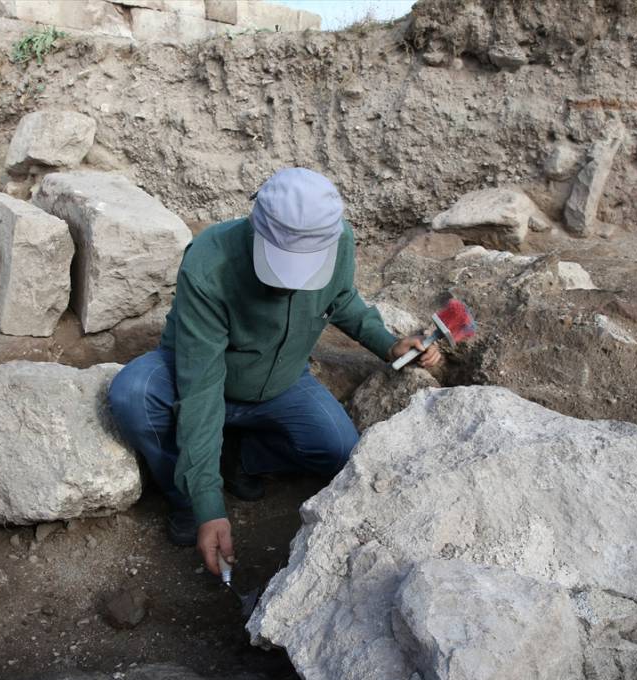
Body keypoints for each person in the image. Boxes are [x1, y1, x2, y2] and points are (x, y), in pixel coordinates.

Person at [108, 167, 440, 575]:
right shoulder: (211, 262)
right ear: (256, 228)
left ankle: (241, 458)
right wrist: (208, 507)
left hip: (281, 382)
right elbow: (200, 388)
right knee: (132, 393)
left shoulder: (339, 242)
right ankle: (184, 498)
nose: (291, 284)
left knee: (338, 447)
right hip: (198, 377)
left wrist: (386, 342)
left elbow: (342, 298)